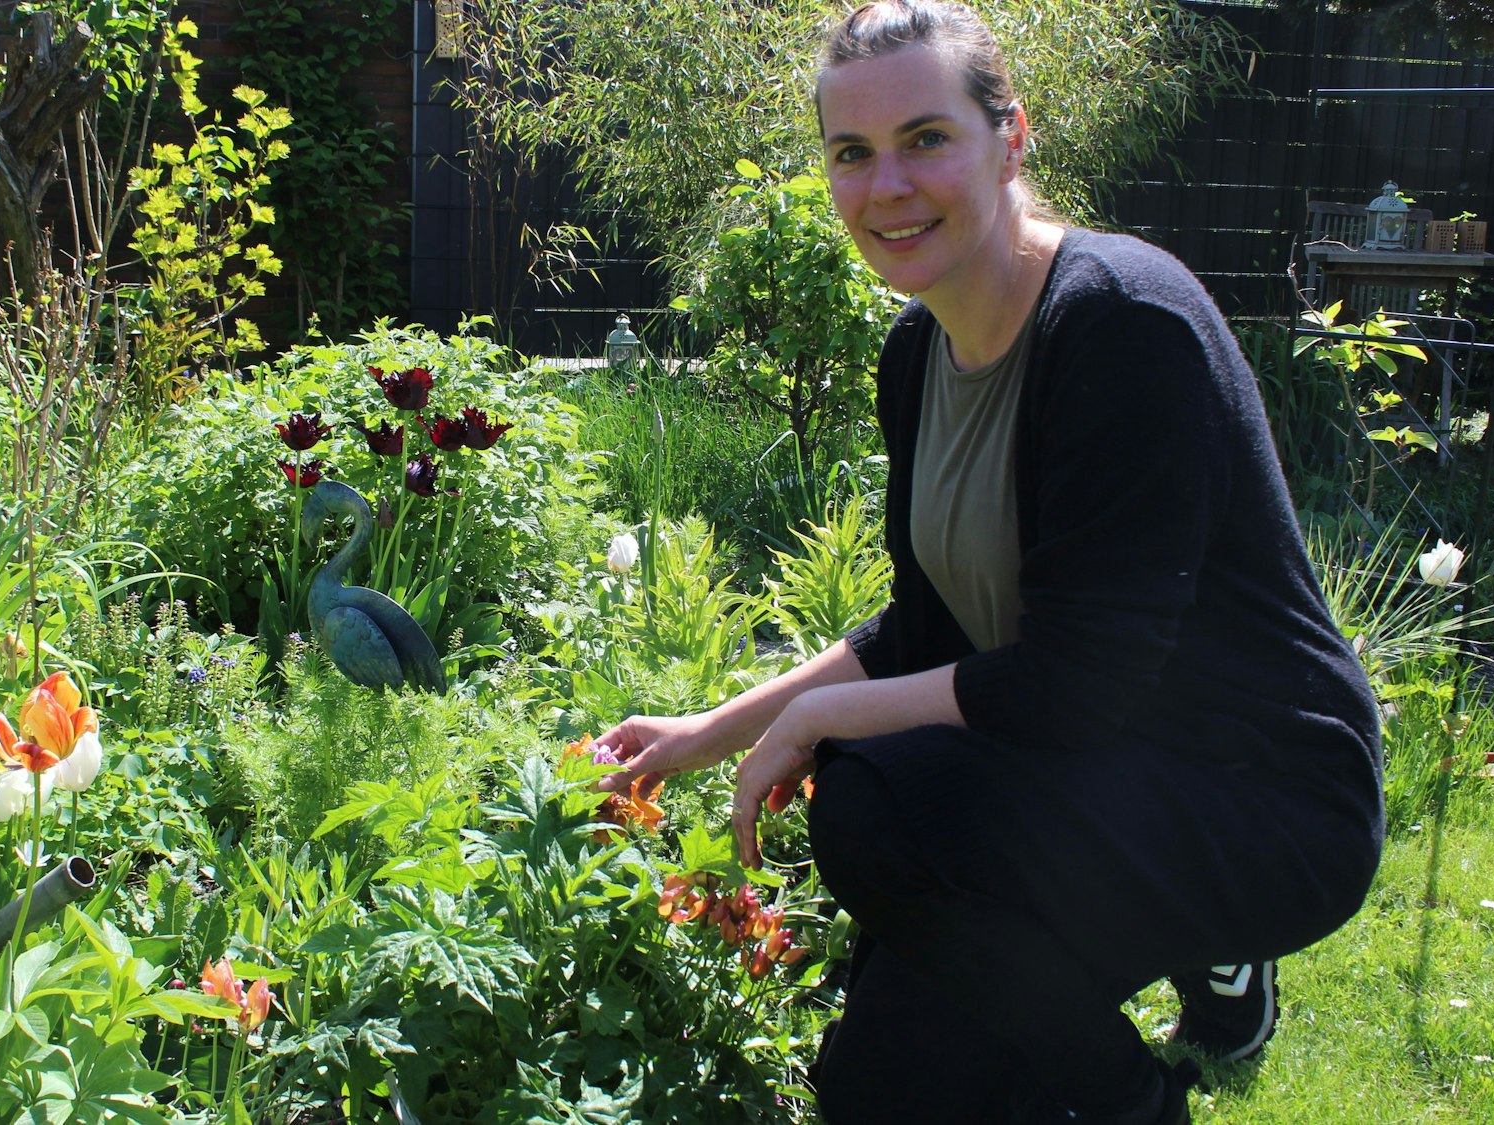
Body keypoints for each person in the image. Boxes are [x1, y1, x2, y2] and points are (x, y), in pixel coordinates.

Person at [590, 3, 1385, 1122]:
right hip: (1085, 783)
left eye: (925, 138)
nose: (886, 186)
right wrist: (699, 735)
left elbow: (1072, 682)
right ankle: (1185, 983)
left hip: (1256, 803)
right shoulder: (917, 355)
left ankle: (1135, 1092)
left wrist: (821, 732)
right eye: (851, 155)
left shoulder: (1116, 324)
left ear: (1009, 140)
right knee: (878, 1091)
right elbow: (916, 633)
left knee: (869, 803)